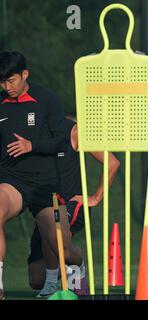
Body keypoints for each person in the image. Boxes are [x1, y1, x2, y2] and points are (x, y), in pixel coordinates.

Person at [0, 51, 83, 300]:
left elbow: (61, 141)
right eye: (2, 82)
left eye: (11, 80)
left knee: (63, 249)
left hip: (46, 186)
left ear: (25, 74)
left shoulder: (46, 99)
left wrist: (32, 146)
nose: (7, 87)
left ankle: (78, 266)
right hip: (12, 181)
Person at [27, 118, 120, 297]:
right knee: (36, 280)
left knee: (53, 227)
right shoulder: (26, 135)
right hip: (43, 204)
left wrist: (96, 198)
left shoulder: (75, 131)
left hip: (72, 203)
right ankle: (58, 271)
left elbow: (113, 163)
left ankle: (73, 267)